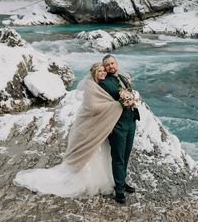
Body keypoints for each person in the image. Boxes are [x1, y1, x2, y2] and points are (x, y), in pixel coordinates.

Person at [13, 63, 124, 198]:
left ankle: (91, 180)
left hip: (93, 126)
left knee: (92, 154)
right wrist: (119, 104)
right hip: (86, 126)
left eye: (104, 71)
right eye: (100, 71)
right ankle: (82, 181)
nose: (103, 73)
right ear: (94, 72)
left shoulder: (100, 85)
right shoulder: (90, 85)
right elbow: (92, 107)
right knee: (85, 153)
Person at [98, 54, 139, 204]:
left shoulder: (122, 77)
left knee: (126, 155)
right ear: (105, 67)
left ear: (116, 63)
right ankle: (120, 191)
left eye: (112, 63)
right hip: (117, 126)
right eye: (107, 65)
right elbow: (101, 105)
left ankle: (121, 181)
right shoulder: (104, 83)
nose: (110, 66)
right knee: (118, 158)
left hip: (131, 122)